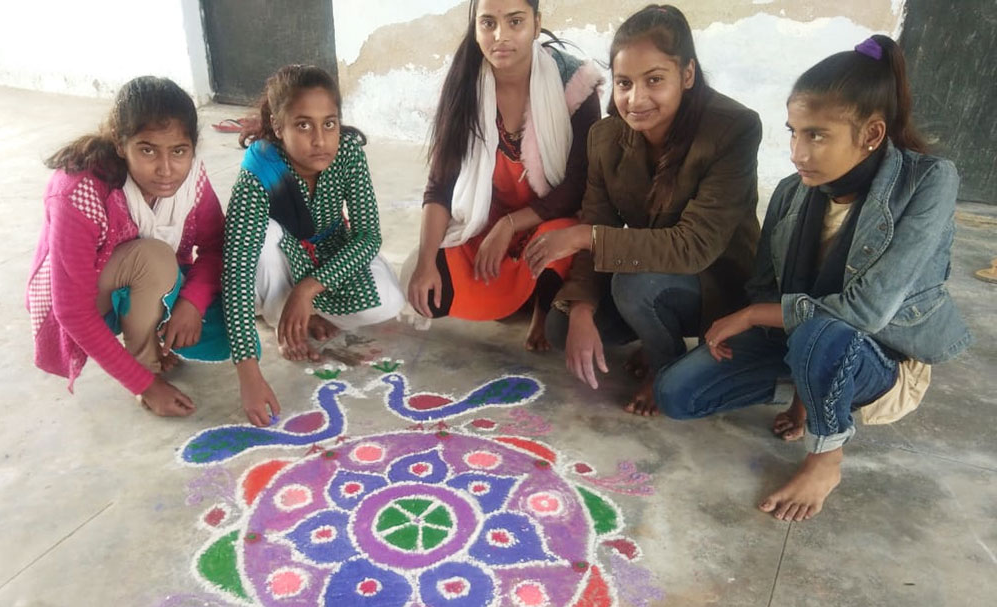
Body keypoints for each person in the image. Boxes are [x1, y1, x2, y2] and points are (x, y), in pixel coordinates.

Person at [656, 35, 972, 521]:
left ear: (871, 134)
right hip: (802, 341)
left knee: (825, 331)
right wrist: (761, 329)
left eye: (817, 136)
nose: (798, 153)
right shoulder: (791, 192)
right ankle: (809, 387)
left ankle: (826, 457)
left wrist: (753, 315)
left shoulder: (927, 182)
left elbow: (866, 311)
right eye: (794, 133)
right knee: (676, 395)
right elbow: (765, 286)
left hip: (877, 355)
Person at [540, 4, 761, 415]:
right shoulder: (605, 138)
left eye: (654, 80)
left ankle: (667, 367)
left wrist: (587, 237)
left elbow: (693, 247)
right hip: (647, 275)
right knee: (562, 325)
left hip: (715, 283)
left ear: (687, 75)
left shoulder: (733, 129)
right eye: (624, 83)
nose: (635, 99)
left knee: (632, 285)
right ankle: (650, 330)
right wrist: (583, 306)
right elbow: (597, 221)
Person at [406, 0, 603, 350]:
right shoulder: (464, 84)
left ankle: (541, 306)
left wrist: (510, 225)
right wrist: (425, 263)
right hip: (486, 220)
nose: (500, 36)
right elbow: (439, 187)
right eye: (488, 23)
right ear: (476, 28)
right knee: (427, 290)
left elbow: (578, 186)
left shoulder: (574, 84)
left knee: (559, 239)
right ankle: (516, 290)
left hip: (550, 219)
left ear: (536, 24)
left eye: (515, 22)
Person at [27, 76, 225, 416]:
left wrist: (191, 303)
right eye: (147, 150)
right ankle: (146, 366)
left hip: (143, 282)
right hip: (92, 300)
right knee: (154, 258)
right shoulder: (79, 189)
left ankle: (152, 331)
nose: (166, 169)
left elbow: (216, 246)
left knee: (226, 334)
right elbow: (71, 307)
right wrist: (145, 384)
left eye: (179, 151)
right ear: (121, 145)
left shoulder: (192, 178)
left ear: (192, 147)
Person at [222, 64, 405, 426]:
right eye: (303, 126)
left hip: (327, 255)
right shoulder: (259, 172)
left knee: (388, 300)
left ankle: (304, 310)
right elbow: (237, 274)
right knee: (264, 237)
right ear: (278, 127)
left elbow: (368, 236)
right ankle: (282, 317)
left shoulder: (349, 153)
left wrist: (308, 289)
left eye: (329, 124)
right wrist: (249, 376)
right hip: (277, 262)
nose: (320, 140)